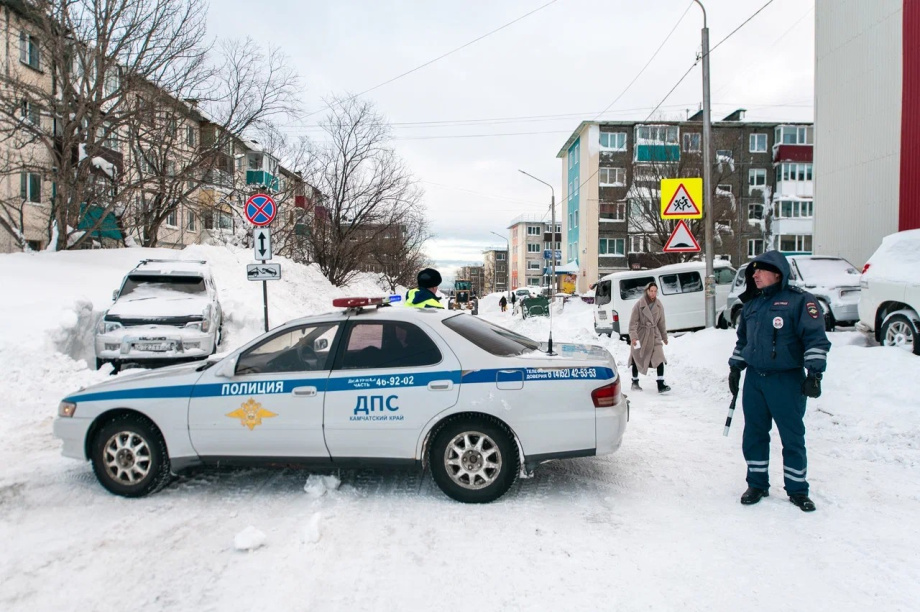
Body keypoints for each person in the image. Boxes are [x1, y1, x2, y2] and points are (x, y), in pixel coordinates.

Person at [729, 251, 830, 513]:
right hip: (755, 380)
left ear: (777, 273)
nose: (755, 275)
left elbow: (815, 339)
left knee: (792, 437)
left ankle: (797, 490)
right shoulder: (752, 304)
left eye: (760, 271)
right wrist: (735, 367)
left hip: (786, 380)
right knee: (754, 434)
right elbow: (743, 341)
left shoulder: (800, 301)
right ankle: (757, 484)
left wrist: (815, 374)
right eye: (754, 272)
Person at [627, 282, 670, 393]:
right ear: (647, 291)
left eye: (655, 291)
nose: (653, 293)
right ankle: (635, 382)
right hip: (640, 334)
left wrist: (664, 337)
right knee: (636, 358)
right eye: (651, 291)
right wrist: (633, 337)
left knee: (659, 356)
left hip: (654, 334)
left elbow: (662, 322)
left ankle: (660, 384)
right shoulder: (639, 304)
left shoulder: (659, 305)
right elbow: (632, 323)